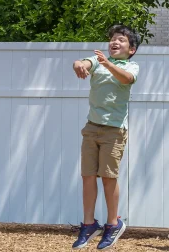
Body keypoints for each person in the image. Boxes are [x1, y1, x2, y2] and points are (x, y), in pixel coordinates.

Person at [72, 25, 140, 250]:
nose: (115, 42)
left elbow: (126, 79)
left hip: (114, 130)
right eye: (113, 39)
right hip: (92, 128)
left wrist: (107, 64)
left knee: (108, 177)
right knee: (88, 176)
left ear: (131, 49)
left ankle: (113, 224)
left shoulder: (131, 65)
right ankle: (89, 224)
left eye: (121, 40)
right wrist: (80, 64)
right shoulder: (97, 60)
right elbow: (82, 63)